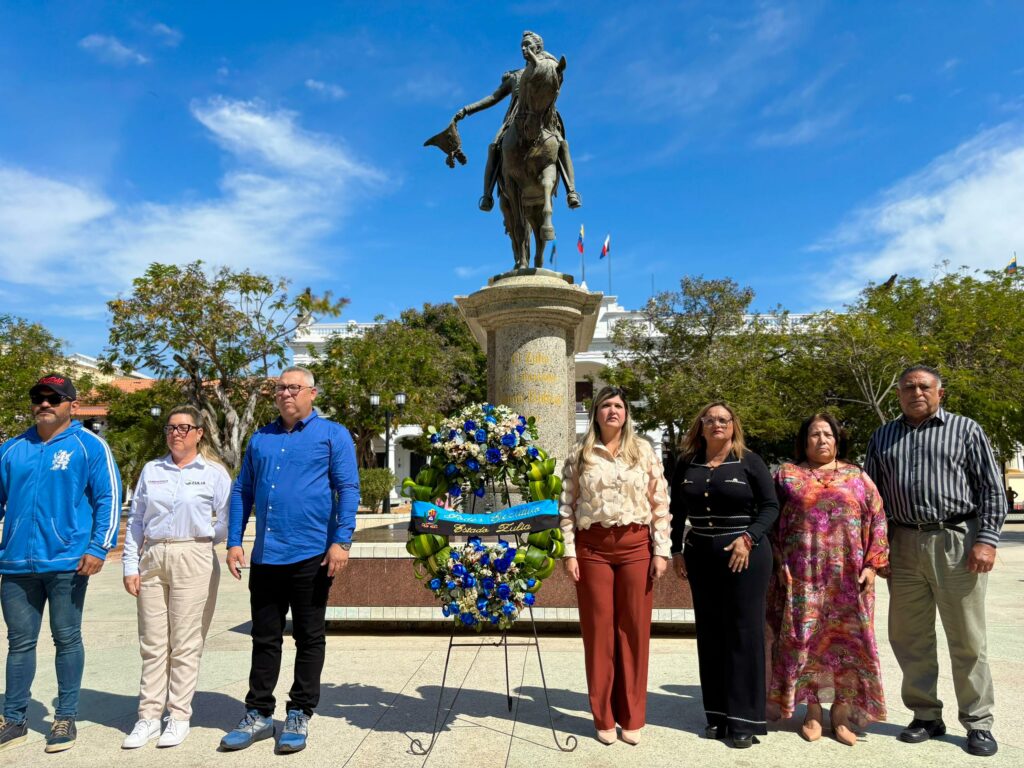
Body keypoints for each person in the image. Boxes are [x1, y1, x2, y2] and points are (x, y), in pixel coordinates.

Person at [865, 365, 1006, 757]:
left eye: (924, 386)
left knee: (967, 638)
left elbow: (991, 488)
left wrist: (987, 540)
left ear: (939, 393)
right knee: (910, 637)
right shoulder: (883, 436)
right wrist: (876, 550)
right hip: (903, 544)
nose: (916, 393)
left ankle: (978, 722)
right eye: (908, 387)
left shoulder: (966, 430)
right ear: (898, 394)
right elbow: (872, 499)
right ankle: (925, 714)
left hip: (956, 541)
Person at [221, 366, 359, 754]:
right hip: (267, 555)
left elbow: (348, 488)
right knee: (264, 638)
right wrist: (234, 541)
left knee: (309, 637)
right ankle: (258, 713)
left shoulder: (333, 434)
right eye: (280, 388)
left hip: (312, 555)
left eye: (294, 388)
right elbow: (242, 491)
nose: (285, 393)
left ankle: (299, 711)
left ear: (312, 393)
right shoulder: (260, 438)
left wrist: (341, 541)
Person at [0, 374, 121, 753]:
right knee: (19, 643)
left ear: (73, 404)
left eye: (54, 398)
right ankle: (13, 719)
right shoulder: (12, 449)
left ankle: (65, 717)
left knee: (66, 639)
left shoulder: (89, 446)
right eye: (38, 397)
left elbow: (108, 498)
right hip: (16, 564)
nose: (44, 404)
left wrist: (99, 547)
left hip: (68, 562)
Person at [767, 413, 889, 745]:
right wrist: (778, 562)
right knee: (805, 643)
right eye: (814, 434)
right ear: (804, 440)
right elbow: (770, 521)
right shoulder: (787, 476)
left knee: (848, 644)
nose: (822, 440)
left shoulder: (857, 476)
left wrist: (872, 565)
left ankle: (842, 713)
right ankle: (812, 711)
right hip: (803, 579)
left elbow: (878, 519)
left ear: (837, 440)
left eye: (828, 434)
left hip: (848, 580)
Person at [558, 386, 670, 746]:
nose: (612, 411)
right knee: (599, 632)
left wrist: (661, 551)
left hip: (636, 546)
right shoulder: (580, 454)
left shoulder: (643, 452)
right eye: (606, 405)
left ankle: (632, 716)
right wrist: (569, 552)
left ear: (626, 413)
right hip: (593, 548)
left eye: (618, 405)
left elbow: (660, 503)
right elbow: (566, 507)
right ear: (595, 412)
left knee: (633, 630)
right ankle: (603, 716)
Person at [669, 402, 778, 749]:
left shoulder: (750, 461)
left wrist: (749, 538)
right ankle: (717, 714)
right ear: (700, 426)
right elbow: (676, 510)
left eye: (724, 420)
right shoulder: (687, 463)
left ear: (733, 426)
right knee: (710, 632)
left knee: (744, 633)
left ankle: (744, 719)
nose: (717, 424)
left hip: (745, 555)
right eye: (710, 419)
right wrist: (676, 550)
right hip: (700, 555)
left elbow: (770, 506)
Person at [121, 406, 231, 749]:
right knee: (152, 642)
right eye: (171, 428)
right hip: (153, 555)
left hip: (193, 554)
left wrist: (203, 541)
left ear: (199, 432)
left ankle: (179, 716)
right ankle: (148, 717)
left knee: (185, 642)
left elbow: (227, 519)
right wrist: (129, 564)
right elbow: (136, 519)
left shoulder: (213, 472)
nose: (176, 434)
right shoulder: (152, 470)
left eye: (184, 428)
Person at [454, 30, 581, 212]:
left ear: (538, 47)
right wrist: (467, 109)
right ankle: (487, 194)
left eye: (528, 45)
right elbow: (493, 97)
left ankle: (571, 191)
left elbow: (553, 87)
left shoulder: (548, 67)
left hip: (544, 116)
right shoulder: (515, 76)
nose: (523, 48)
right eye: (522, 46)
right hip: (515, 118)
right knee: (494, 146)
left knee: (562, 143)